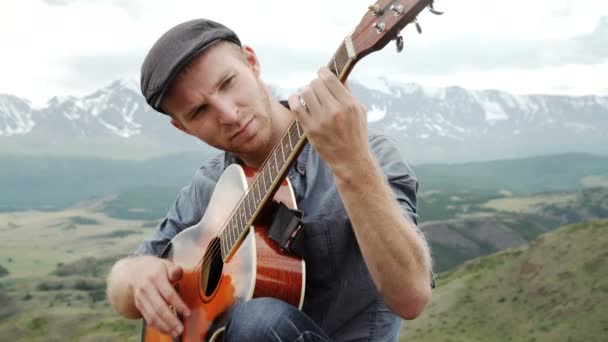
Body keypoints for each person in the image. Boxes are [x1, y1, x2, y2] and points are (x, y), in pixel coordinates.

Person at [106, 18, 434, 341]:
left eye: (228, 83)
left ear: (251, 62)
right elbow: (125, 283)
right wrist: (136, 277)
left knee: (258, 321)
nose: (229, 115)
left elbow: (412, 297)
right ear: (183, 127)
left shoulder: (369, 153)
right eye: (198, 112)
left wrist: (352, 163)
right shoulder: (210, 184)